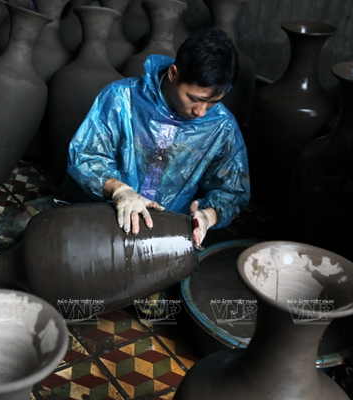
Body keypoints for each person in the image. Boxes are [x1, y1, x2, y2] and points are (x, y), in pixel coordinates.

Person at [64, 28, 251, 248]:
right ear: (173, 74)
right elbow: (86, 154)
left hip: (167, 236)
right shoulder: (121, 98)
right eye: (194, 98)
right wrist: (120, 191)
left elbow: (233, 190)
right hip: (104, 217)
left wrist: (208, 216)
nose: (201, 111)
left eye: (213, 102)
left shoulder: (222, 126)